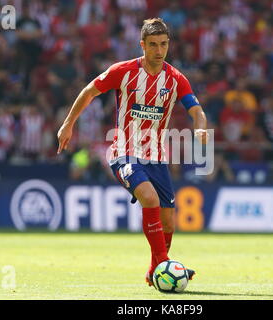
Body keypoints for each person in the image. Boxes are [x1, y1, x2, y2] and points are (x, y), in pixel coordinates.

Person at [57, 18, 208, 287]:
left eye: (163, 44)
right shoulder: (123, 71)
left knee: (168, 223)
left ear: (168, 45)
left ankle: (156, 269)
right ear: (143, 45)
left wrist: (200, 129)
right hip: (125, 152)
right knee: (149, 198)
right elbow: (89, 91)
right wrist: (68, 124)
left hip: (158, 157)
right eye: (153, 45)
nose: (159, 51)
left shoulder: (175, 79)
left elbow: (196, 111)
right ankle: (163, 265)